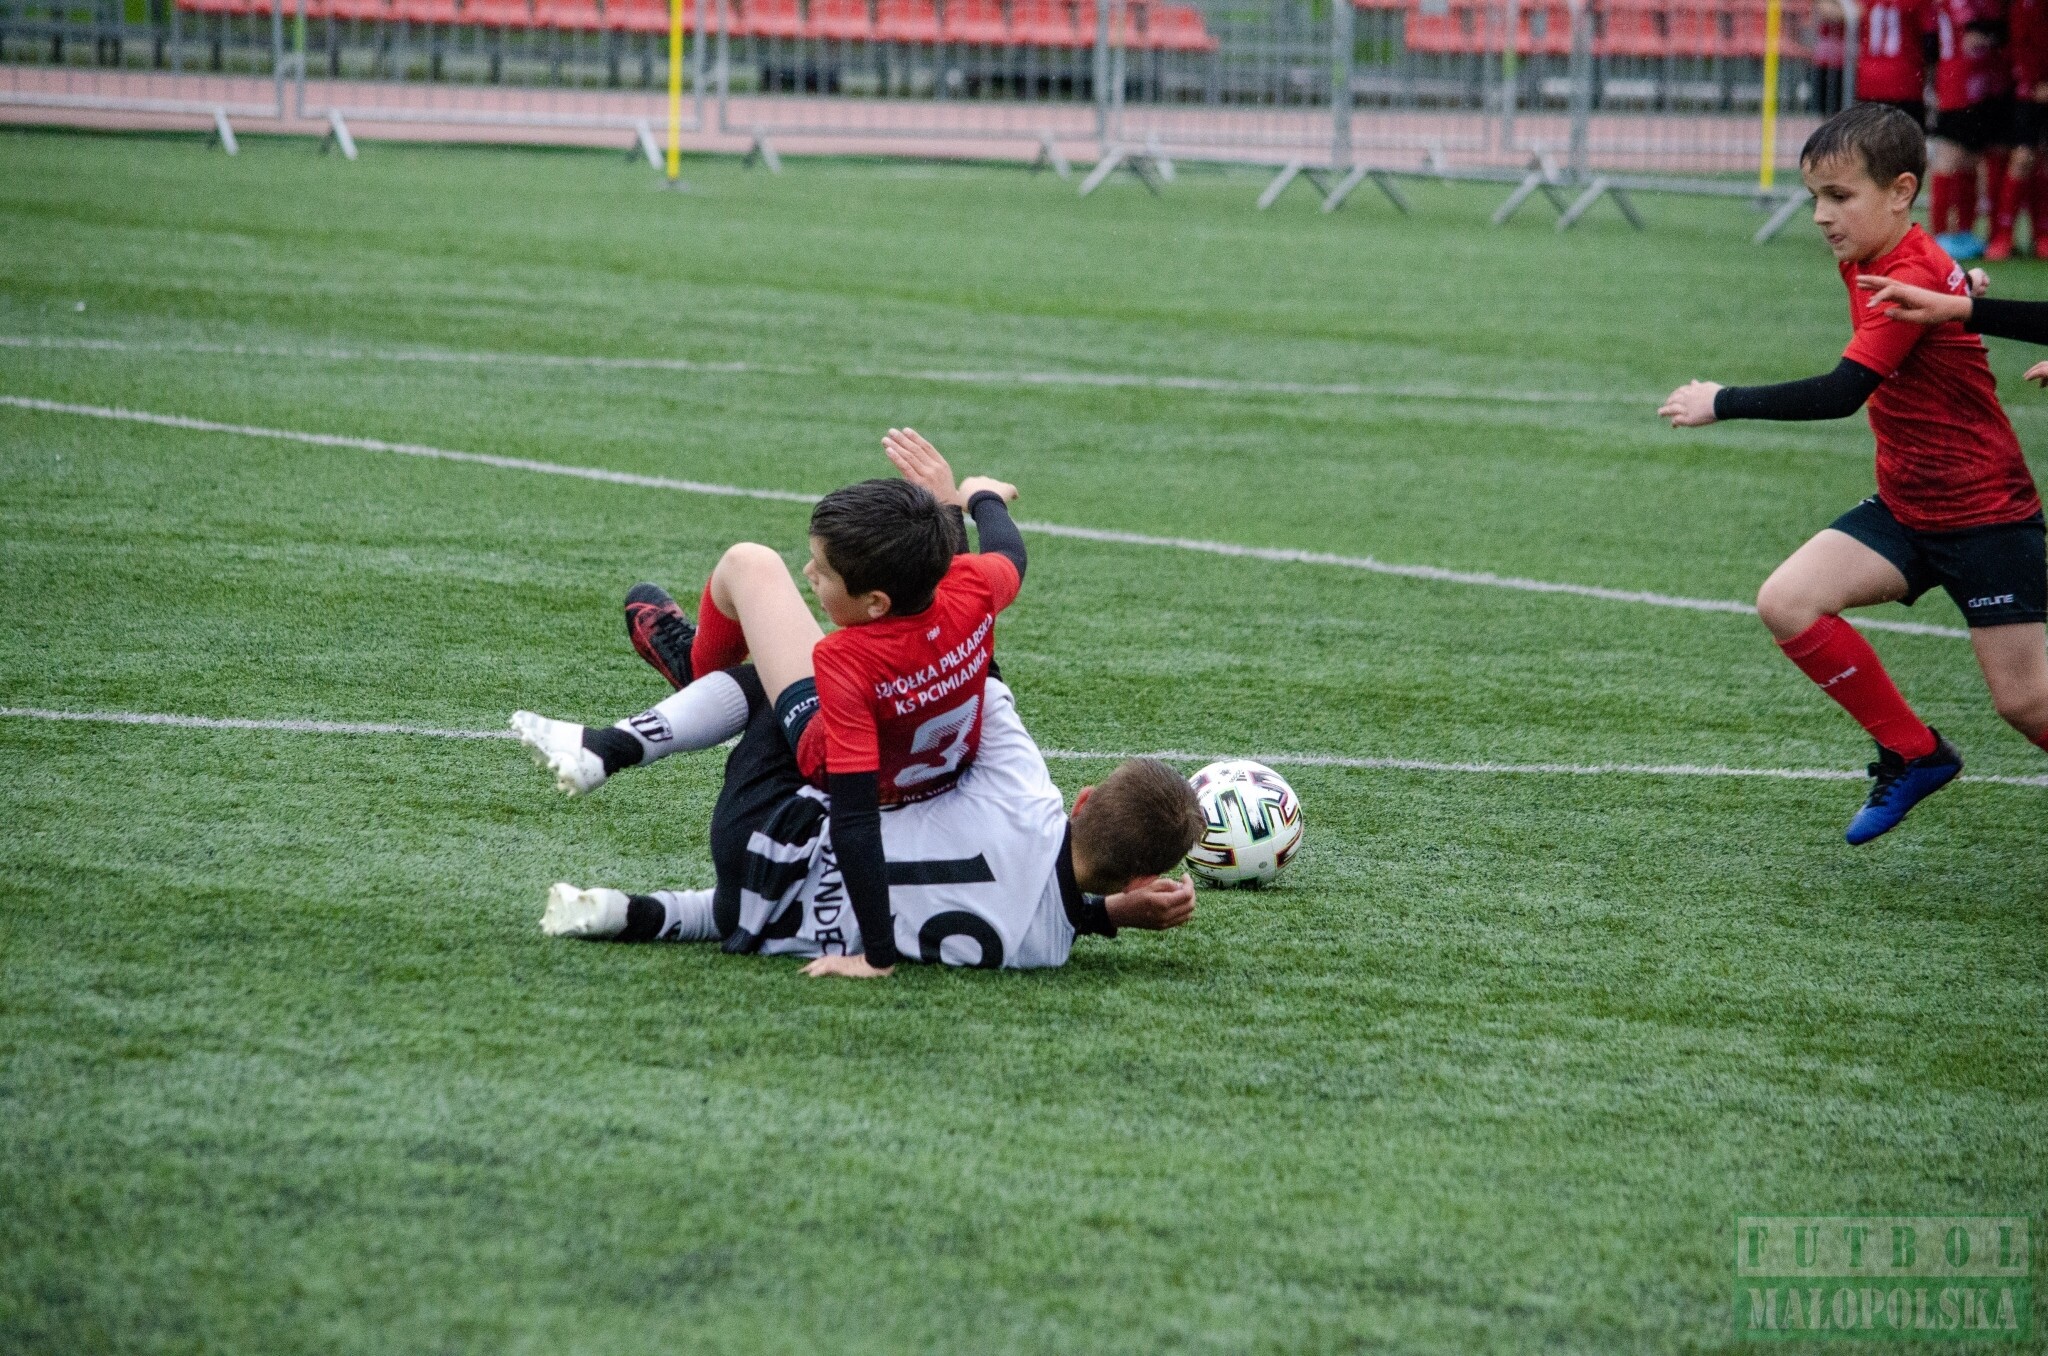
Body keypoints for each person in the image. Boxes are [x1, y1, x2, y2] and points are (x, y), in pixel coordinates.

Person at [1658, 103, 2045, 844]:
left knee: (2025, 704)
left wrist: (1722, 401)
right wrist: (1959, 280)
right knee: (1788, 601)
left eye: (1839, 196)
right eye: (1814, 198)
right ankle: (1915, 752)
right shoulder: (1871, 255)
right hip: (1908, 504)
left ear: (1901, 192)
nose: (1820, 216)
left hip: (1985, 514)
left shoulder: (1905, 269)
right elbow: (1936, 281)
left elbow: (1841, 393)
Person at [538, 672, 1205, 974]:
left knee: (790, 678)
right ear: (1140, 878)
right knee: (759, 905)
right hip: (775, 919)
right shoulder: (1045, 953)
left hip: (769, 827)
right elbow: (1042, 901)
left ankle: (622, 738)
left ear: (1082, 800)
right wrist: (1108, 913)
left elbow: (971, 676)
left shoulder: (1024, 792)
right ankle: (627, 914)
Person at [1927, 0, 2013, 260]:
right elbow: (1973, 38)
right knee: (1949, 159)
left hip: (1976, 87)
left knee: (1969, 161)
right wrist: (2000, 37)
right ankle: (1939, 235)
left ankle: (1963, 232)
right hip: (1957, 87)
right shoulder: (1958, 4)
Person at [1989, 0, 2048, 256]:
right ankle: (2003, 234)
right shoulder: (2024, 6)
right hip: (2027, 90)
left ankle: (2042, 234)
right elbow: (2020, 43)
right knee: (2023, 157)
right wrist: (2031, 81)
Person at [1854, 0, 1934, 131]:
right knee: (1906, 139)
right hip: (1905, 81)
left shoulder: (1867, 3)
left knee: (1869, 138)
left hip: (1869, 80)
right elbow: (1930, 42)